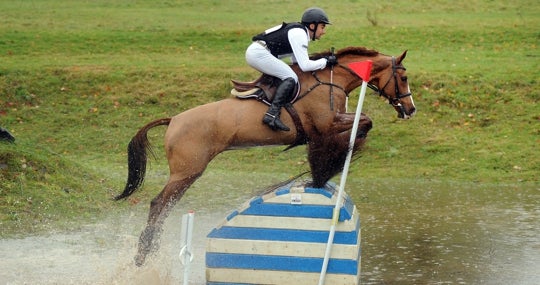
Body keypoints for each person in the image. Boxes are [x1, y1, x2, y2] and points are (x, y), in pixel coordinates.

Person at [246, 7, 337, 131]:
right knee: (290, 77)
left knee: (289, 74)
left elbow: (296, 62)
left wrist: (321, 61)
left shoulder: (299, 32)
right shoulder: (299, 34)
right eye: (322, 27)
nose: (323, 31)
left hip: (258, 52)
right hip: (258, 54)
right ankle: (271, 114)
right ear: (312, 26)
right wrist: (325, 61)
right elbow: (305, 66)